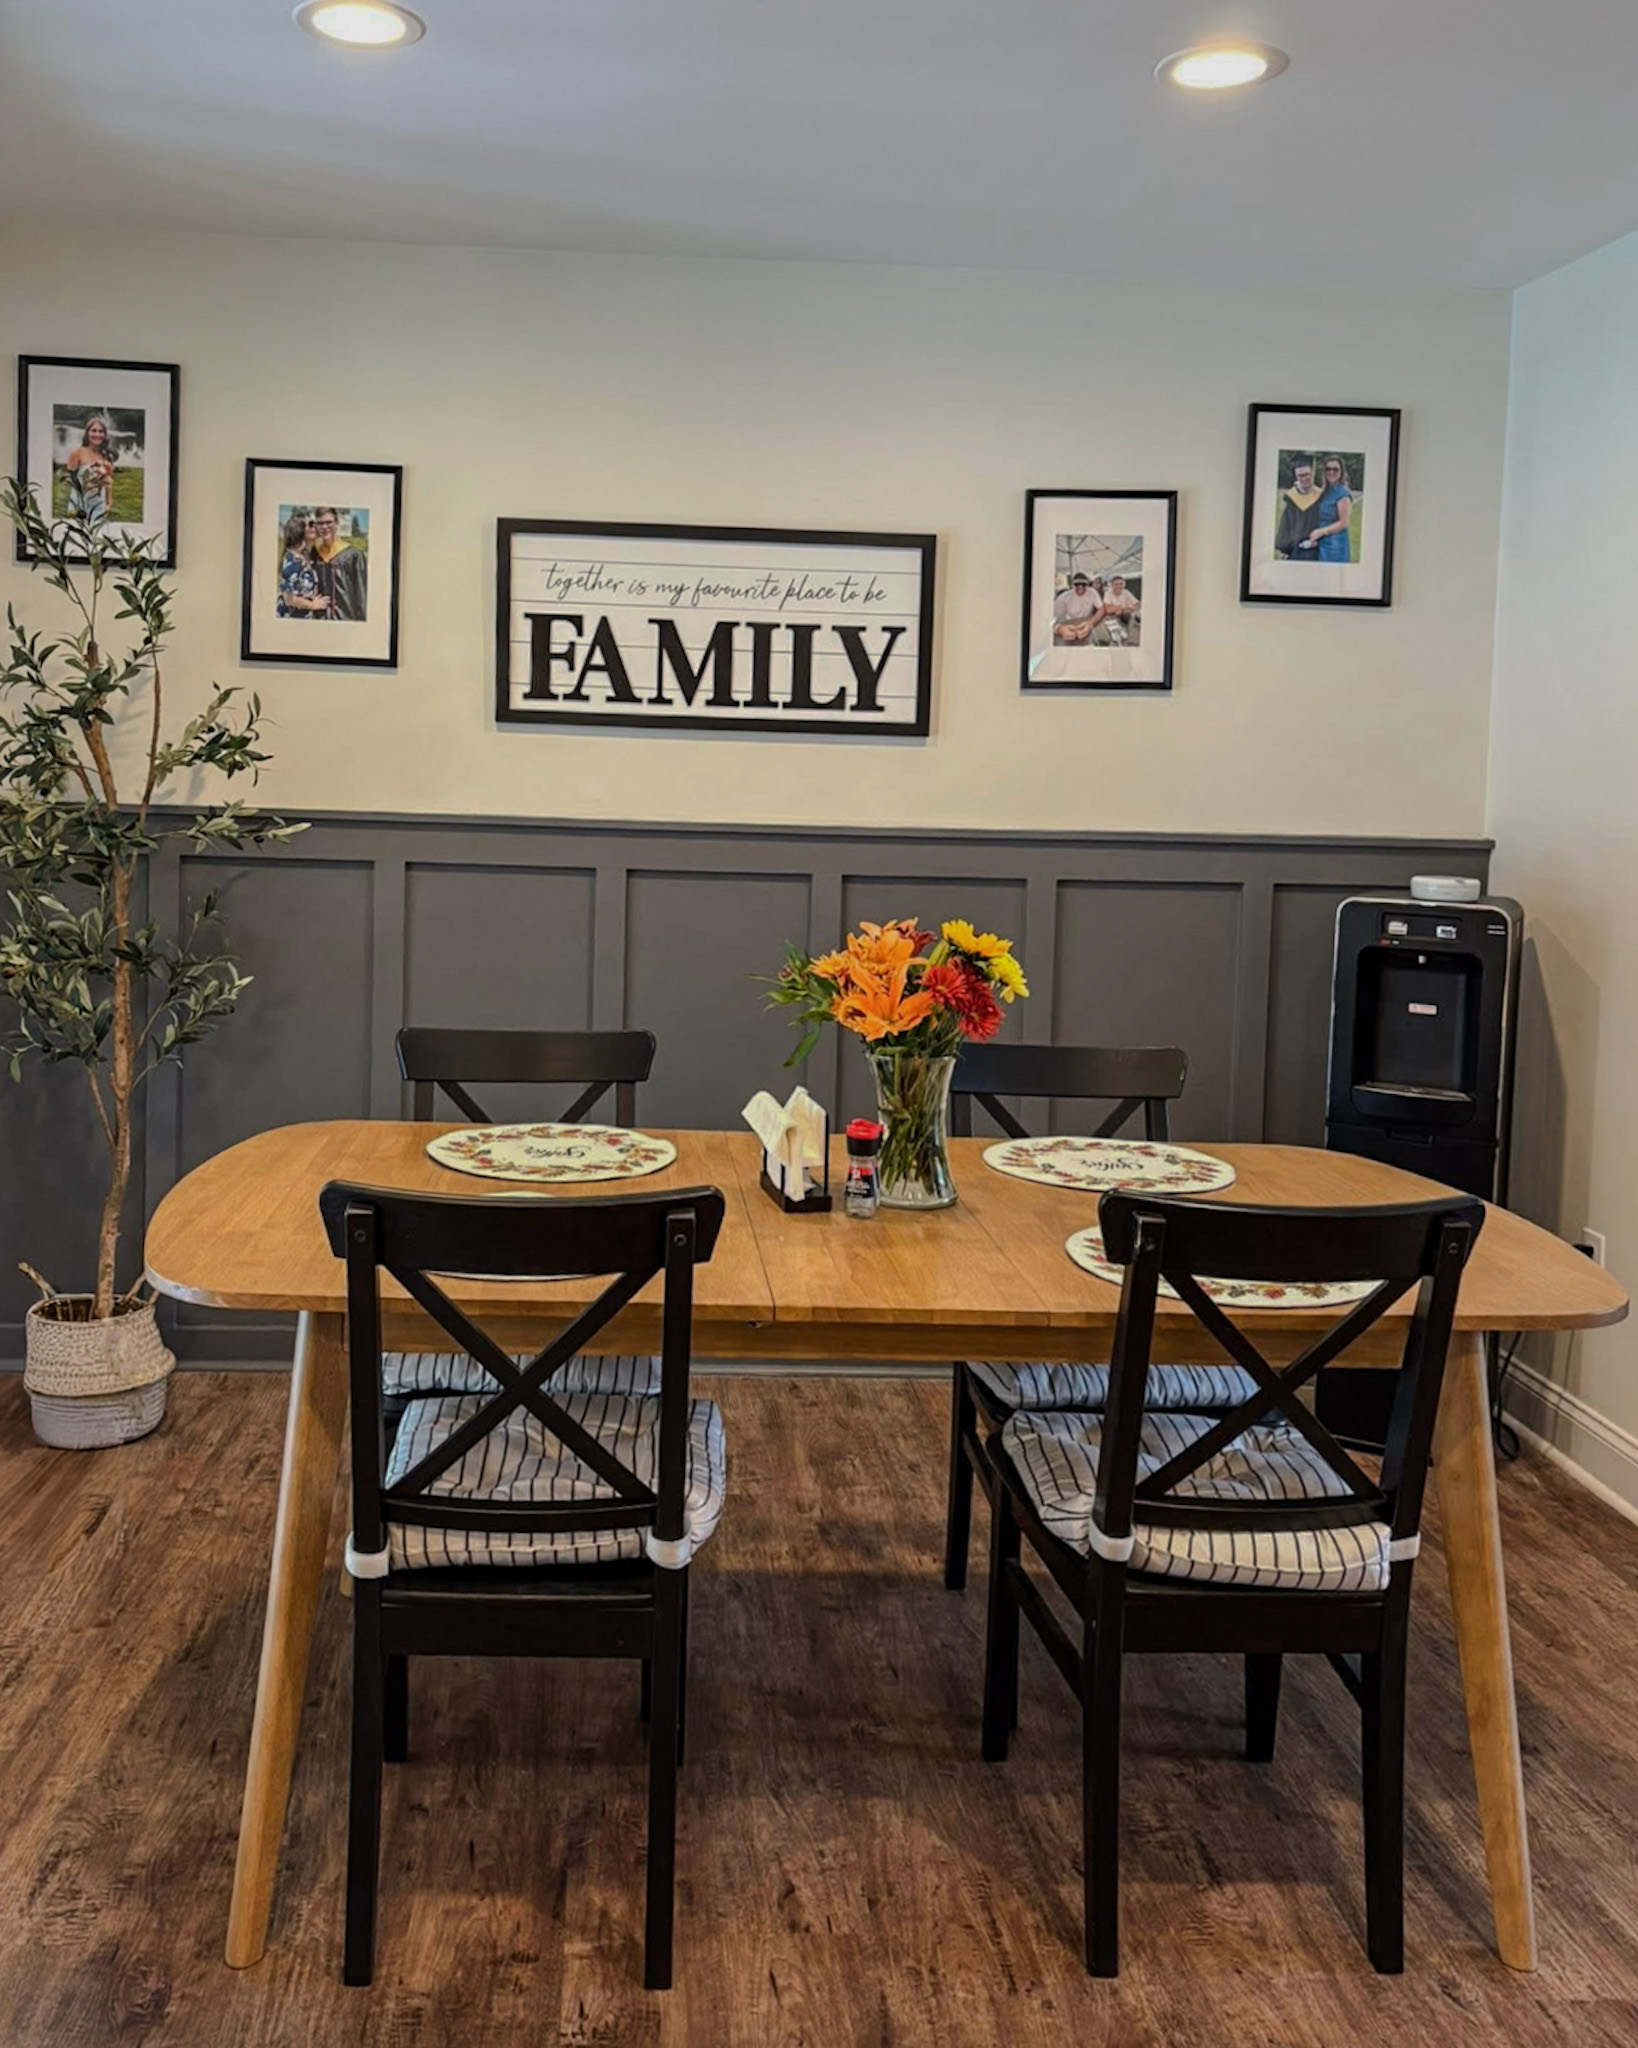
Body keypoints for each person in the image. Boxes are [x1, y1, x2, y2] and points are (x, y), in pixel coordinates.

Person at [310, 506, 368, 621]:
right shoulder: (314, 554)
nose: (324, 527)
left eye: (329, 522)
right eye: (320, 523)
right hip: (319, 620)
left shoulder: (353, 555)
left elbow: (362, 596)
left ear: (337, 523)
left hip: (346, 619)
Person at [63, 416, 115, 524]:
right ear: (87, 433)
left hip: (98, 504)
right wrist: (86, 484)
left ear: (105, 435)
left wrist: (108, 505)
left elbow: (109, 484)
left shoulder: (107, 456)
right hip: (79, 502)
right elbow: (67, 479)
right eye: (94, 431)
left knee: (97, 537)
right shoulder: (77, 453)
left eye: (101, 432)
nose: (97, 434)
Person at [1304, 455, 1355, 564]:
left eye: (1335, 469)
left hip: (1335, 545)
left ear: (1341, 472)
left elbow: (1344, 522)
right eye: (1328, 469)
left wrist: (1321, 532)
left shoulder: (1343, 494)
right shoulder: (1326, 491)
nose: (1331, 472)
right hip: (1322, 542)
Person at [276, 512, 326, 619]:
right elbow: (289, 599)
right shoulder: (292, 561)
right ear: (301, 530)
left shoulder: (306, 558)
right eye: (311, 524)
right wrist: (313, 605)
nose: (316, 526)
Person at [1275, 458, 1323, 560]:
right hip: (1295, 549)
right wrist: (1284, 549)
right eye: (1300, 476)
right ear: (1296, 477)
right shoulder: (1291, 497)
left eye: (1307, 474)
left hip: (1316, 548)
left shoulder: (1320, 495)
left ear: (1312, 473)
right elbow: (1285, 525)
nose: (1304, 478)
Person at [1053, 571, 1105, 644]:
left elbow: (1101, 609)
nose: (1080, 587)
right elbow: (1049, 619)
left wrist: (1090, 624)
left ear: (1087, 585)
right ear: (1073, 585)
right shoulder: (1064, 597)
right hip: (1071, 624)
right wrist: (1060, 629)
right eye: (1077, 584)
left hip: (1088, 621)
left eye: (1083, 584)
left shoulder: (1092, 593)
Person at [1093, 573, 1141, 646]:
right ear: (1112, 585)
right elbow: (1107, 609)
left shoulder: (1126, 592)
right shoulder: (1108, 592)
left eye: (1121, 584)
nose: (1118, 586)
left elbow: (1138, 604)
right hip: (1110, 619)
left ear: (1124, 585)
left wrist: (1120, 609)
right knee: (1111, 638)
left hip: (1124, 617)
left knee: (1131, 627)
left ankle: (1131, 643)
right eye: (1116, 584)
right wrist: (1125, 607)